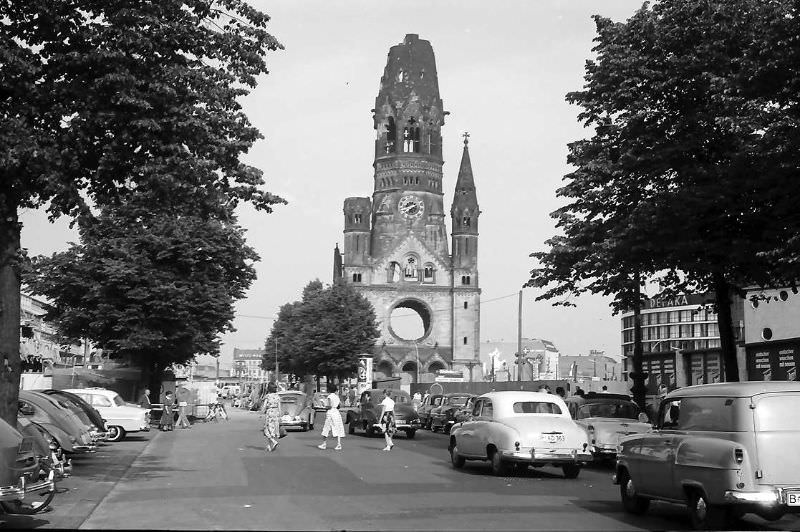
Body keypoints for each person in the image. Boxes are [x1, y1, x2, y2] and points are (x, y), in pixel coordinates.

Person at [317, 383, 345, 451]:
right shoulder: (336, 396)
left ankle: (324, 444)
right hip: (336, 412)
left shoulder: (330, 397)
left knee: (326, 428)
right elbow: (340, 405)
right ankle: (339, 444)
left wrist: (324, 406)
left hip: (330, 413)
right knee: (338, 428)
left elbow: (329, 406)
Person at [259, 382, 281, 452]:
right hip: (276, 413)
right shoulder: (278, 396)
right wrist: (280, 416)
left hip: (270, 413)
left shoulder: (268, 396)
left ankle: (274, 442)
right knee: (273, 429)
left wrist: (261, 413)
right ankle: (269, 446)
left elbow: (264, 406)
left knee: (267, 429)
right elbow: (280, 407)